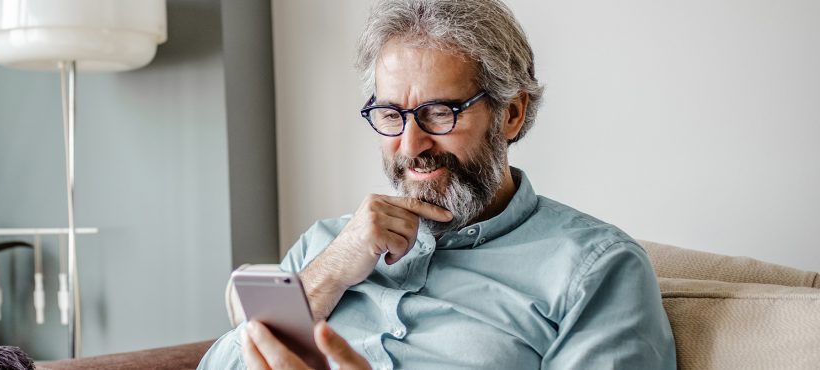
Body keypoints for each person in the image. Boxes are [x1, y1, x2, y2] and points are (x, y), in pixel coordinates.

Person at [198, 0, 677, 368]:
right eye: (391, 115)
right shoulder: (325, 246)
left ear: (511, 114)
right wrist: (323, 280)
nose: (411, 145)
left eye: (439, 113)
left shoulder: (595, 269)